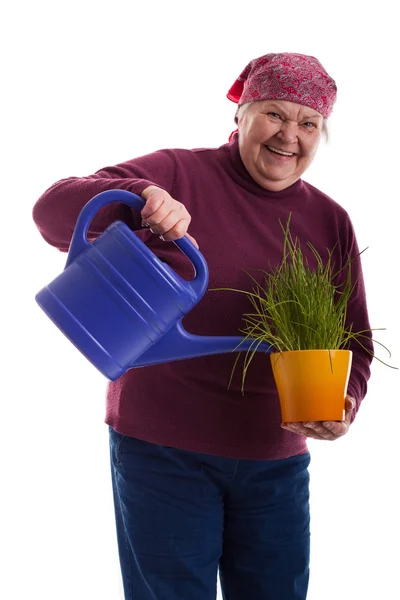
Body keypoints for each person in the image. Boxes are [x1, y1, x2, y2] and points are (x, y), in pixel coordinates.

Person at [32, 52, 373, 600]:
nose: (289, 135)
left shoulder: (328, 219)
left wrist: (346, 403)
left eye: (308, 123)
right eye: (274, 115)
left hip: (274, 461)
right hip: (162, 451)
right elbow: (50, 214)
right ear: (241, 115)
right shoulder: (176, 173)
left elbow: (352, 336)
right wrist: (143, 200)